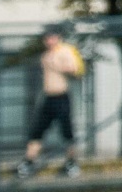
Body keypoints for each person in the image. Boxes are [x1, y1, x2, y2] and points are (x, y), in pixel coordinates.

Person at [14, 28, 84, 179]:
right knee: (37, 131)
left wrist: (57, 65)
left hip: (61, 97)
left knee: (67, 132)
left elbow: (75, 69)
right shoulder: (46, 55)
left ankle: (71, 162)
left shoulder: (64, 52)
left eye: (52, 38)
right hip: (48, 98)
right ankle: (29, 162)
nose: (49, 41)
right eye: (47, 38)